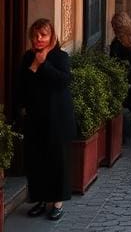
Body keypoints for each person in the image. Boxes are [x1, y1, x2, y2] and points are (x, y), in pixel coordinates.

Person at [16, 19, 76, 222]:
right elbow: (22, 85)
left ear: (52, 36)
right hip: (35, 118)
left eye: (43, 35)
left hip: (57, 118)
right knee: (37, 161)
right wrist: (33, 66)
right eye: (35, 35)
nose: (38, 39)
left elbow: (64, 81)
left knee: (57, 160)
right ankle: (41, 200)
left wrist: (43, 65)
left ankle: (57, 203)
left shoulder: (60, 56)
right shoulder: (27, 58)